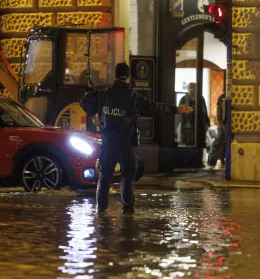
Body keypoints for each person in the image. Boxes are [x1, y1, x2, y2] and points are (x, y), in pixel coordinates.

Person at [80, 62, 193, 214]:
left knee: (105, 175)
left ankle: (101, 209)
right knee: (128, 175)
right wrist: (176, 109)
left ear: (115, 75)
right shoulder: (132, 97)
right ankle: (127, 209)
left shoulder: (103, 94)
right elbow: (153, 108)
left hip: (107, 142)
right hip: (125, 142)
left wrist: (94, 113)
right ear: (128, 77)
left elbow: (84, 102)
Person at [177, 82, 210, 147]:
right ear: (187, 89)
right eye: (190, 88)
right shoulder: (183, 99)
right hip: (188, 129)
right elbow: (179, 115)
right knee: (189, 147)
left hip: (200, 128)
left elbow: (205, 111)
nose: (192, 90)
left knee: (200, 146)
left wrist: (207, 124)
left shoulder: (201, 99)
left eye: (194, 88)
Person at [207, 93, 226, 169]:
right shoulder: (222, 97)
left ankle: (224, 161)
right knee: (218, 142)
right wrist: (220, 123)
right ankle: (211, 162)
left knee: (222, 143)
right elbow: (218, 112)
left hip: (232, 124)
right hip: (224, 123)